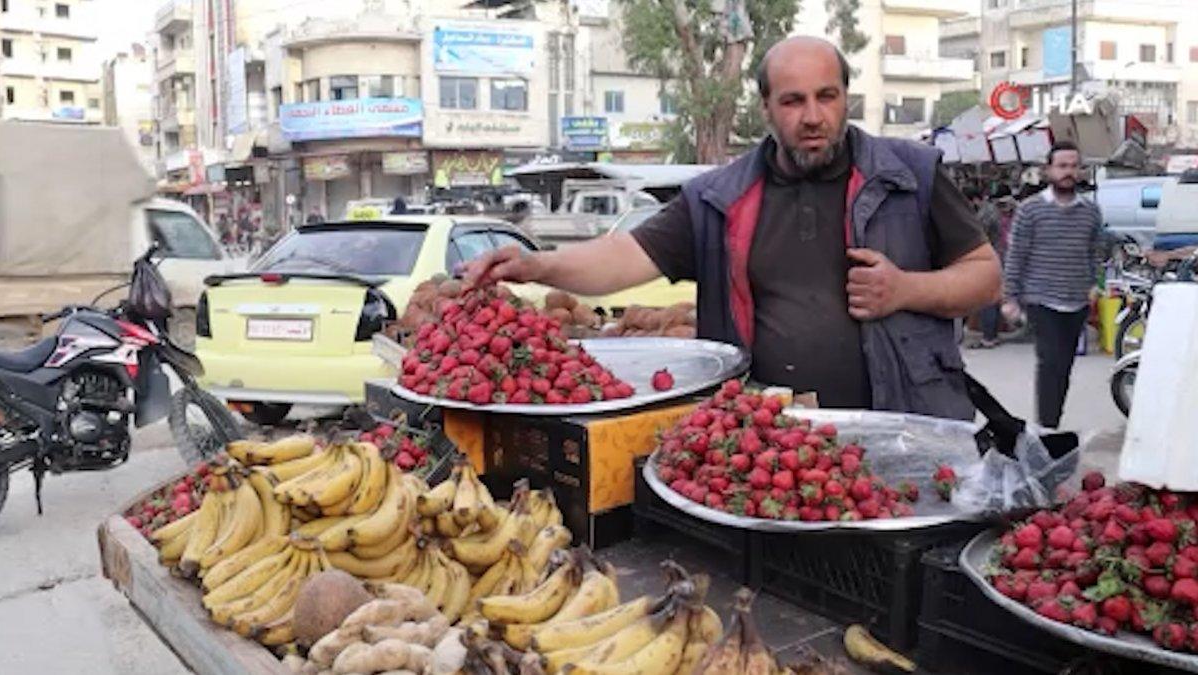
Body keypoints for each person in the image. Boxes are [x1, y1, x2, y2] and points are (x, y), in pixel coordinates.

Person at [464, 36, 1001, 420]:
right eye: (793, 101)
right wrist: (536, 265)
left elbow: (986, 278)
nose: (812, 115)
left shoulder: (913, 173)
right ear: (766, 107)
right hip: (774, 444)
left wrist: (907, 288)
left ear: (845, 98)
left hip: (906, 425)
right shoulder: (719, 197)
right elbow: (624, 257)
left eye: (826, 96)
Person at [1003, 141, 1102, 429]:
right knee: (1051, 363)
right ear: (1048, 171)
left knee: (1064, 367)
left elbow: (1095, 251)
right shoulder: (1030, 210)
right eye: (1062, 166)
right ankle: (1046, 428)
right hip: (1041, 299)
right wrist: (1010, 297)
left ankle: (1050, 423)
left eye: (1073, 166)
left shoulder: (1090, 212)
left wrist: (1094, 283)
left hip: (1077, 300)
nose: (1068, 172)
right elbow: (1016, 254)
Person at [966, 186, 1005, 348]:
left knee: (987, 299)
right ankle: (992, 335)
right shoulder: (991, 210)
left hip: (989, 258)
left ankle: (988, 337)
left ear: (974, 199)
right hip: (997, 256)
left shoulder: (984, 214)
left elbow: (975, 236)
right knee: (992, 299)